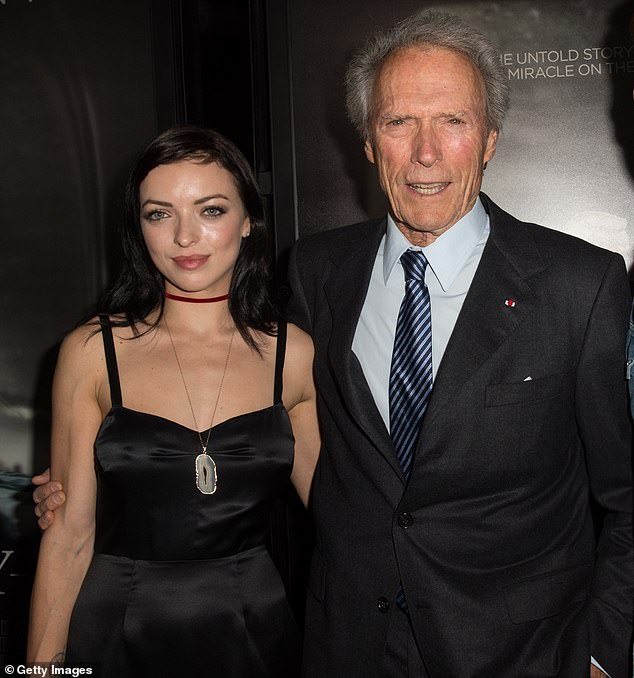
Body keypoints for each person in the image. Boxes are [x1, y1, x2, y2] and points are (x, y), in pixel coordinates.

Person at [34, 9, 634, 678]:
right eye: (398, 122)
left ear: (490, 138)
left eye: (453, 122)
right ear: (369, 143)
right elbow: (253, 432)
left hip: (520, 656)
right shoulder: (316, 274)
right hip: (346, 647)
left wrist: (601, 654)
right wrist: (96, 477)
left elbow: (627, 499)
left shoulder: (581, 285)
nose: (425, 153)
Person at [27, 125, 319, 677]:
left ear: (248, 219)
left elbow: (345, 515)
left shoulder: (294, 355)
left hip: (255, 634)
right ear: (139, 230)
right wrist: (41, 670)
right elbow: (68, 538)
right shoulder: (93, 351)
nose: (186, 237)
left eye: (210, 210)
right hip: (116, 630)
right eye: (159, 213)